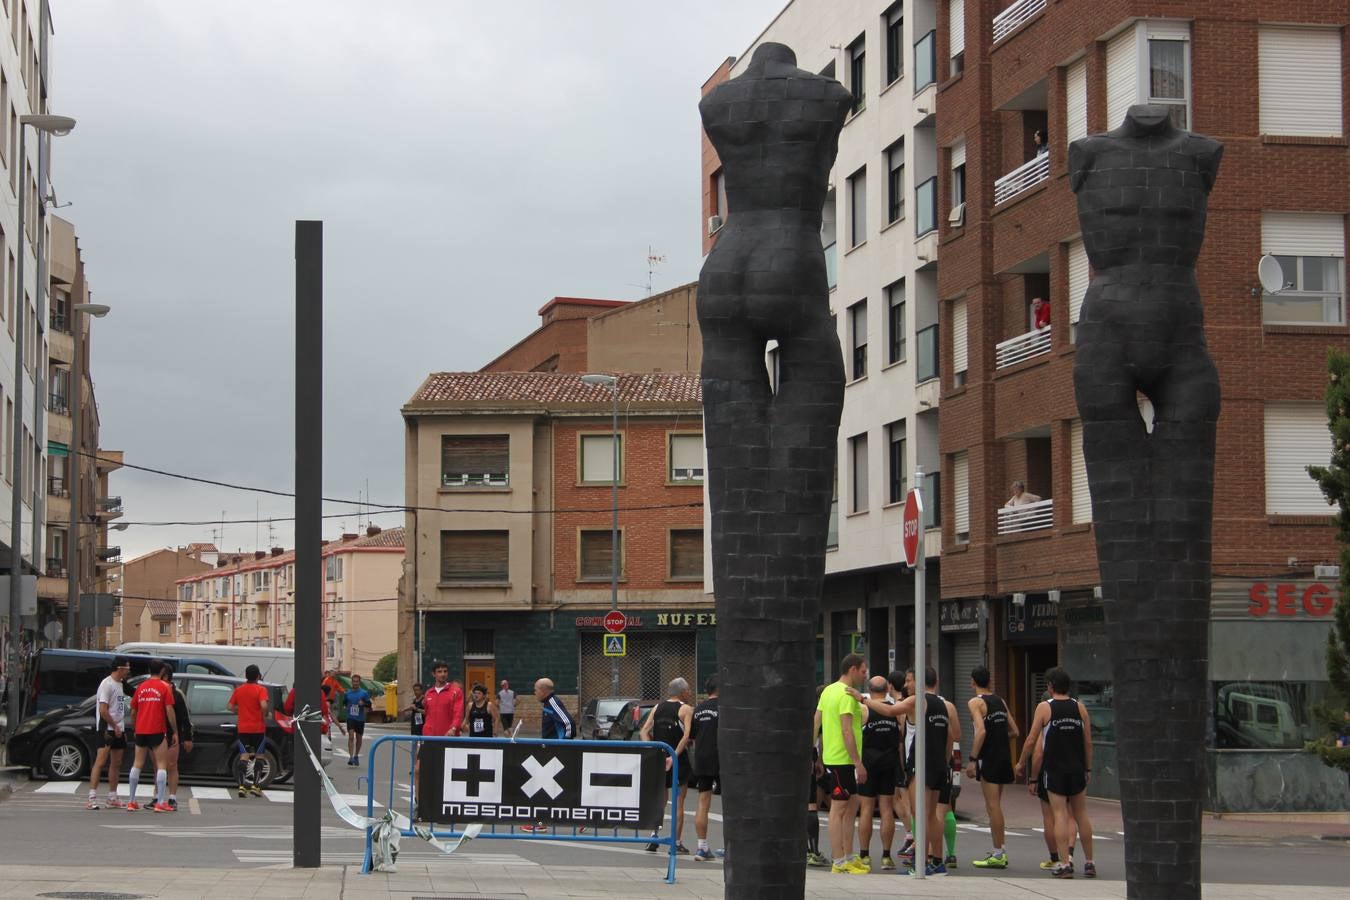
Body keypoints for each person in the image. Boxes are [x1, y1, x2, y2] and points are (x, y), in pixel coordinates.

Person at [852, 665, 958, 877]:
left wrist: (862, 699)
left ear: (918, 681)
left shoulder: (917, 700)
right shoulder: (944, 705)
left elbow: (890, 710)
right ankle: (937, 861)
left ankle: (921, 863)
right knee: (932, 816)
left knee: (920, 815)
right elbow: (950, 736)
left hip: (921, 763)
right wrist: (945, 761)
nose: (906, 684)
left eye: (909, 680)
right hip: (938, 765)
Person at [1029, 667, 1096, 879]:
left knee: (1059, 815)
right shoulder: (1080, 708)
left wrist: (1024, 765)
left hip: (1055, 770)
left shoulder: (1044, 707)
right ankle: (1089, 862)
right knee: (1081, 815)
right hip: (1077, 768)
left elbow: (1032, 740)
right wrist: (1088, 768)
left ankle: (1064, 864)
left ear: (1049, 686)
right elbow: (1088, 742)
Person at [815, 653, 868, 874]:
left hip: (835, 757)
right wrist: (858, 763)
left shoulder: (828, 690)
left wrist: (815, 754)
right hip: (842, 758)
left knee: (853, 803)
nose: (865, 675)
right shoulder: (847, 695)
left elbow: (816, 721)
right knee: (838, 808)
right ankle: (838, 861)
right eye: (863, 670)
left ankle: (848, 854)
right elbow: (847, 730)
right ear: (853, 669)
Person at [967, 665, 1019, 869]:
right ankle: (1000, 849)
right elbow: (1015, 731)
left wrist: (972, 759)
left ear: (972, 682)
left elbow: (980, 732)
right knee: (996, 804)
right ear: (989, 681)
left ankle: (999, 853)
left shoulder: (976, 702)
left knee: (992, 806)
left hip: (988, 758)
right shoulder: (1000, 701)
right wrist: (999, 738)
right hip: (1004, 756)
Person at [641, 677, 695, 854]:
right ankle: (676, 843)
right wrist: (674, 756)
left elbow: (644, 731)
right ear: (682, 692)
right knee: (679, 803)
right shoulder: (685, 709)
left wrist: (654, 749)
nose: (690, 692)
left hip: (660, 759)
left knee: (660, 801)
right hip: (678, 761)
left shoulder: (657, 707)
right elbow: (686, 736)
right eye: (688, 690)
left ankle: (653, 837)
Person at [857, 675, 901, 872]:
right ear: (887, 688)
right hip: (889, 763)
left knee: (866, 808)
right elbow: (901, 738)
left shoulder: (864, 709)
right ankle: (886, 856)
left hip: (869, 764)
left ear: (869, 689)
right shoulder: (895, 712)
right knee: (886, 809)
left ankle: (864, 855)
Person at [521, 677, 575, 834]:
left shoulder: (553, 703)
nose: (534, 692)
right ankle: (582, 821)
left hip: (555, 754)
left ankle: (540, 823)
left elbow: (569, 724)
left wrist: (563, 745)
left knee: (541, 789)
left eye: (536, 689)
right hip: (550, 752)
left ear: (544, 691)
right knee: (560, 788)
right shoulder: (548, 704)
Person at [126, 661, 178, 813]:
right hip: (157, 729)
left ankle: (131, 801)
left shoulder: (141, 687)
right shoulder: (165, 687)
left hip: (141, 730)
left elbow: (133, 710)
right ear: (162, 671)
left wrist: (135, 727)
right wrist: (174, 730)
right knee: (162, 765)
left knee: (137, 764)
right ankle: (160, 802)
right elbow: (169, 710)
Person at [87, 656, 130, 810]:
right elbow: (103, 710)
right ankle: (92, 797)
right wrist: (114, 726)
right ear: (120, 668)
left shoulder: (121, 683)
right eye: (127, 668)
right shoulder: (107, 684)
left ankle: (112, 797)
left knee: (116, 763)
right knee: (100, 762)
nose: (128, 670)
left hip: (119, 727)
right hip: (106, 729)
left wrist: (120, 727)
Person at [688, 676, 721, 861]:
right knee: (731, 803)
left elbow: (692, 735)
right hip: (722, 759)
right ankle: (729, 847)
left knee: (703, 801)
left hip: (702, 758)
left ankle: (701, 846)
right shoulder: (725, 707)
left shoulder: (698, 709)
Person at [228, 664, 272, 796]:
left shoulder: (239, 690)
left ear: (246, 676)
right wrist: (264, 714)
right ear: (258, 676)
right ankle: (255, 786)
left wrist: (240, 710)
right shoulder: (261, 689)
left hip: (243, 728)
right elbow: (264, 705)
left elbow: (230, 706)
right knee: (259, 755)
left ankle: (241, 786)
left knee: (244, 755)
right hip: (258, 728)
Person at [161, 664, 193, 811]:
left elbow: (185, 718)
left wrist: (187, 738)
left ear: (166, 676)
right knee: (158, 768)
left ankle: (172, 798)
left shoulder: (177, 693)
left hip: (173, 735)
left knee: (172, 766)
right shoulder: (155, 691)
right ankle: (158, 797)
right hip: (157, 733)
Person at [343, 674, 373, 768]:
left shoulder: (364, 693)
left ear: (359, 682)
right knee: (351, 736)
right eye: (354, 681)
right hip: (350, 717)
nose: (355, 683)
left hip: (360, 719)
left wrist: (363, 703)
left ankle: (356, 755)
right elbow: (344, 703)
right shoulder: (347, 693)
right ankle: (351, 757)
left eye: (357, 681)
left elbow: (369, 705)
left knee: (359, 738)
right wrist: (345, 707)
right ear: (351, 682)